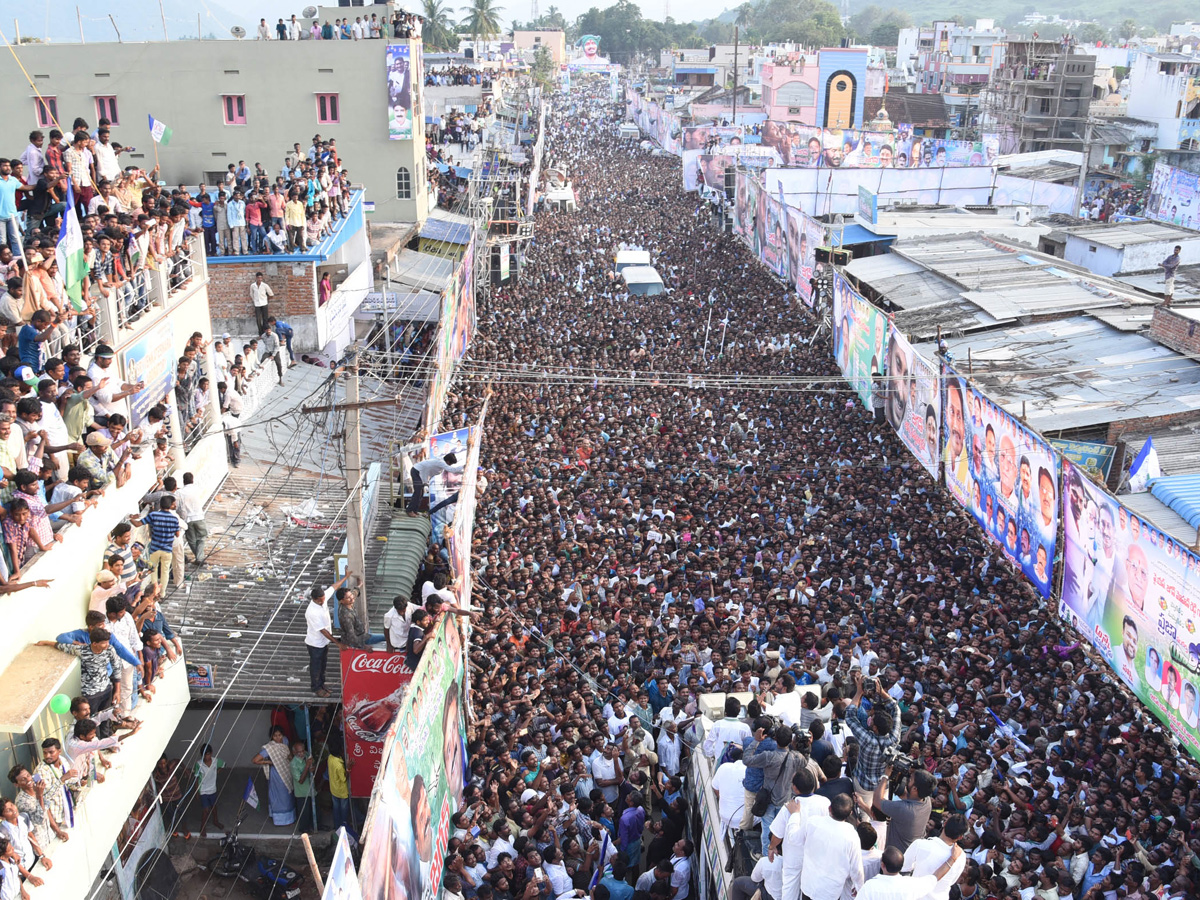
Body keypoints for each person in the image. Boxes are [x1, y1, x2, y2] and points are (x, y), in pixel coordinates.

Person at [798, 794, 863, 900]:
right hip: (830, 892)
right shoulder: (851, 835)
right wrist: (858, 886)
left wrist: (794, 816)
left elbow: (796, 839)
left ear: (829, 808)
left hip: (809, 885)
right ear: (850, 814)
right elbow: (857, 869)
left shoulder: (813, 822)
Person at [900, 814, 968, 900]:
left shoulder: (920, 845)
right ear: (960, 837)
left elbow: (903, 867)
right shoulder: (961, 856)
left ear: (945, 823)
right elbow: (952, 881)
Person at [867, 769, 934, 854]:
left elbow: (877, 801)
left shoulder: (905, 809)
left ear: (914, 789)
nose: (907, 781)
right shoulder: (926, 801)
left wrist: (885, 777)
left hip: (895, 857)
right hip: (910, 853)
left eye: (910, 780)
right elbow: (905, 795)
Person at [251, 726, 296, 827]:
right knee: (279, 796)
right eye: (275, 736)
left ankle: (289, 818)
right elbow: (255, 760)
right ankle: (280, 820)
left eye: (279, 735)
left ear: (282, 735)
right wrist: (270, 762)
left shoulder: (285, 742)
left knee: (288, 795)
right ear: (272, 737)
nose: (277, 738)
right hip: (276, 775)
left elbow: (288, 755)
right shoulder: (270, 748)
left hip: (286, 771)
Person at [304, 584, 342, 697]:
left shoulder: (323, 598)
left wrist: (346, 576)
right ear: (315, 599)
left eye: (323, 599)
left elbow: (334, 587)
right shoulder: (311, 612)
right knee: (316, 666)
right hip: (315, 643)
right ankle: (316, 688)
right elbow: (323, 631)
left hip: (324, 642)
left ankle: (321, 685)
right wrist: (337, 643)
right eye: (320, 601)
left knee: (323, 665)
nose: (323, 602)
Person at [856, 847, 936, 900]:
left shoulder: (869, 887)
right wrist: (949, 861)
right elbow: (934, 879)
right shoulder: (911, 885)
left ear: (882, 865)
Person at [408, 452, 465, 516]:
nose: (450, 465)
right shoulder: (441, 462)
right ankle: (410, 510)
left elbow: (453, 470)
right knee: (418, 492)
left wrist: (463, 471)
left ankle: (415, 510)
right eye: (450, 464)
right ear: (448, 461)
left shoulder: (440, 462)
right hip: (417, 471)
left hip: (420, 474)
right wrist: (463, 466)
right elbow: (452, 470)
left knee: (421, 493)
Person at [194, 743, 225, 836]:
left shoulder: (216, 761)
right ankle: (202, 827)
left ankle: (216, 821)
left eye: (207, 754)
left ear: (211, 753)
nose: (206, 757)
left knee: (214, 806)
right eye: (204, 755)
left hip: (213, 789)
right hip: (203, 790)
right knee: (206, 810)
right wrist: (196, 792)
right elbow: (196, 778)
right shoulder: (198, 764)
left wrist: (217, 771)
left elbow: (223, 765)